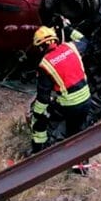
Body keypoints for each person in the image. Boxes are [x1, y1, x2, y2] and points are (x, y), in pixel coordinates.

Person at [29, 26, 91, 155]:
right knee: (77, 132)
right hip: (86, 98)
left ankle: (38, 151)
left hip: (69, 105)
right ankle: (81, 166)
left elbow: (43, 97)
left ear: (40, 47)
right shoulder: (71, 47)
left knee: (40, 122)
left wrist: (37, 114)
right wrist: (67, 28)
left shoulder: (45, 64)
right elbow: (84, 40)